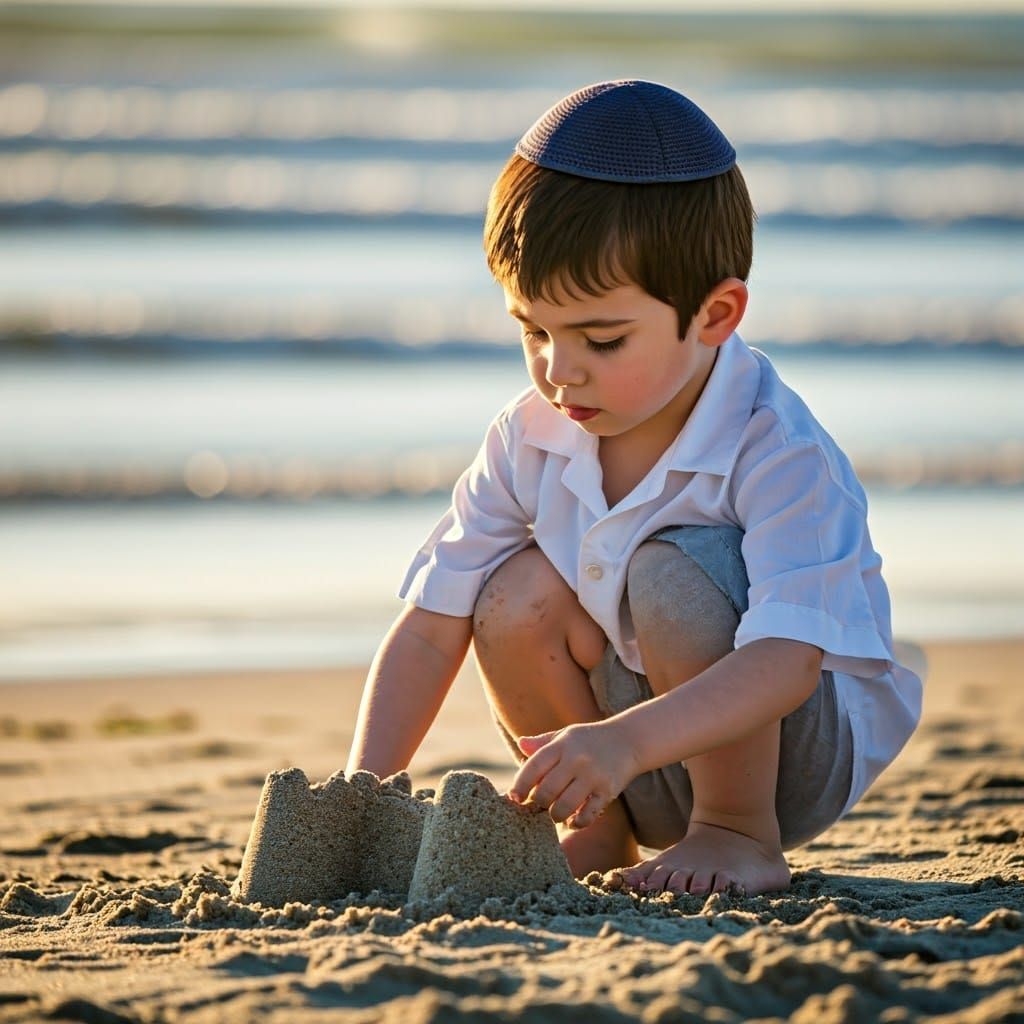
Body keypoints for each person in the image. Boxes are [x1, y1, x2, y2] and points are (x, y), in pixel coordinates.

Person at [345, 79, 923, 898]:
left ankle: (735, 833)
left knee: (671, 572)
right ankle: (600, 827)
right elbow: (432, 627)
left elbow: (787, 663)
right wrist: (360, 794)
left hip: (791, 752)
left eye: (602, 338)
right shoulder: (529, 436)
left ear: (716, 315)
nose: (558, 368)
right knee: (507, 588)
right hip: (622, 759)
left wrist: (622, 741)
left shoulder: (777, 448)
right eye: (533, 330)